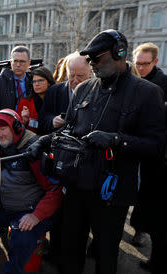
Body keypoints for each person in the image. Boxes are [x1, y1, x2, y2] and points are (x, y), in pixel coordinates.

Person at [27, 29, 165, 274]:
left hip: (112, 194)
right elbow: (68, 129)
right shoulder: (83, 89)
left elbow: (155, 146)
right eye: (89, 60)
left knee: (105, 255)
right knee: (70, 251)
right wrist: (44, 141)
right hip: (77, 186)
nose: (93, 64)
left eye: (97, 59)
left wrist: (114, 140)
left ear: (119, 54)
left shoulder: (147, 93)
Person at [0, 109, 62, 274]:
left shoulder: (34, 150)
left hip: (28, 212)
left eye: (3, 129)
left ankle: (13, 270)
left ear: (16, 127)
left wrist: (36, 216)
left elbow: (55, 190)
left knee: (22, 238)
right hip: (3, 207)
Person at [131, 42, 167, 272]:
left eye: (146, 64)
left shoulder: (163, 85)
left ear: (155, 62)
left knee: (153, 203)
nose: (141, 68)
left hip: (156, 156)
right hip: (133, 148)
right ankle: (139, 225)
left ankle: (143, 232)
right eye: (138, 64)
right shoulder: (131, 81)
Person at [38, 52, 92, 135]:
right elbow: (42, 118)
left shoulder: (98, 92)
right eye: (72, 75)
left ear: (90, 73)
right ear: (67, 73)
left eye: (80, 76)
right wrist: (52, 121)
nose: (75, 80)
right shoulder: (54, 91)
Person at [0, 46, 33, 112]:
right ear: (10, 62)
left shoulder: (34, 82)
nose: (18, 65)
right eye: (15, 61)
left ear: (28, 63)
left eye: (22, 61)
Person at [17, 66, 55, 133]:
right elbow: (17, 130)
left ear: (49, 82)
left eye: (40, 80)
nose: (36, 84)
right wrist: (24, 121)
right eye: (34, 81)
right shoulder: (25, 103)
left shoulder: (57, 99)